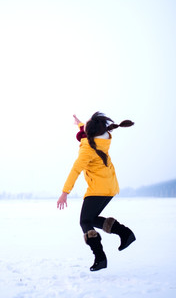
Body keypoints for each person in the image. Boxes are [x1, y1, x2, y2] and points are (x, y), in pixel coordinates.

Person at [57, 112, 136, 272]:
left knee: (85, 222)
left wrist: (65, 192)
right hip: (109, 186)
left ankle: (100, 257)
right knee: (91, 219)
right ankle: (125, 233)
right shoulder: (102, 139)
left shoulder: (87, 149)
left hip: (98, 188)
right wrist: (80, 124)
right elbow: (86, 133)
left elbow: (75, 170)